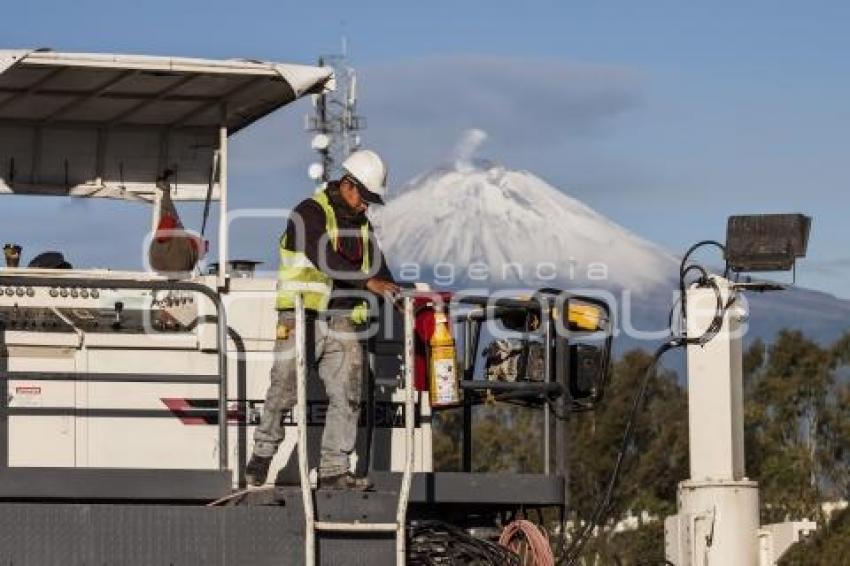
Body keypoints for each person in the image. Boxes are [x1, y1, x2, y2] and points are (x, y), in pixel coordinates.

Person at [246, 149, 400, 490]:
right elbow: (323, 256)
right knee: (284, 387)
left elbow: (378, 266)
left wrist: (396, 294)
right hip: (302, 314)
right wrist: (368, 282)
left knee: (348, 391)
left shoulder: (361, 225)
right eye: (366, 198)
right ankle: (262, 452)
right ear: (348, 185)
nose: (366, 207)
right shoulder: (308, 213)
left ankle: (334, 469)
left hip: (342, 318)